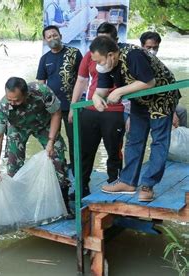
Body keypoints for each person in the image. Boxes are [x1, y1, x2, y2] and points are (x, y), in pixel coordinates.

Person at [90, 36, 181, 202]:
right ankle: (127, 182)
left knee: (159, 141)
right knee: (133, 139)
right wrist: (96, 96)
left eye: (100, 61)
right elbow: (102, 89)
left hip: (162, 96)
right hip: (140, 100)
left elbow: (149, 82)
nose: (98, 65)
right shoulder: (107, 66)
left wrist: (118, 91)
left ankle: (148, 185)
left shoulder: (133, 55)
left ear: (111, 55)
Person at [0, 77, 72, 214]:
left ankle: (64, 203)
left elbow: (56, 114)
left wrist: (51, 141)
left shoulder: (41, 92)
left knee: (57, 157)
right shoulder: (3, 106)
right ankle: (18, 207)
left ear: (26, 94)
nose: (13, 103)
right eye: (9, 99)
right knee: (13, 165)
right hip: (18, 128)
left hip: (44, 124)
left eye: (16, 100)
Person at [68, 23, 125, 199]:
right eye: (99, 39)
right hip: (91, 109)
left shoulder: (122, 57)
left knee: (114, 150)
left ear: (115, 41)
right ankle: (81, 186)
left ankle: (114, 183)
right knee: (85, 150)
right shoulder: (89, 56)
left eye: (106, 40)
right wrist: (73, 105)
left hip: (115, 110)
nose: (102, 44)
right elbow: (81, 81)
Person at [37, 25, 83, 174]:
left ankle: (80, 179)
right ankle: (60, 172)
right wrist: (41, 107)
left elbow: (82, 79)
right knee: (53, 140)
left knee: (75, 141)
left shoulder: (74, 53)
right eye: (49, 37)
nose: (52, 38)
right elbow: (41, 84)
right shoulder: (45, 59)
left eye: (55, 35)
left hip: (73, 107)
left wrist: (74, 105)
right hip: (52, 108)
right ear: (45, 40)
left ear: (61, 36)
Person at [139, 31, 187, 128]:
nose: (152, 50)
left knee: (181, 111)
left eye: (155, 48)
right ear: (142, 46)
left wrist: (172, 110)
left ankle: (183, 139)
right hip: (142, 103)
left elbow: (171, 90)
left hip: (163, 101)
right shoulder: (136, 62)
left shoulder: (160, 65)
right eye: (149, 47)